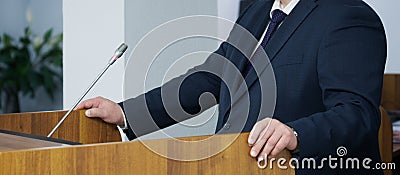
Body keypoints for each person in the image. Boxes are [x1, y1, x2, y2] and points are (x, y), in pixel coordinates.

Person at [76, 0, 387, 174]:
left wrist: (295, 134)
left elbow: (358, 114)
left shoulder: (348, 16)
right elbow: (209, 78)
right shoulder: (257, 11)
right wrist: (126, 113)